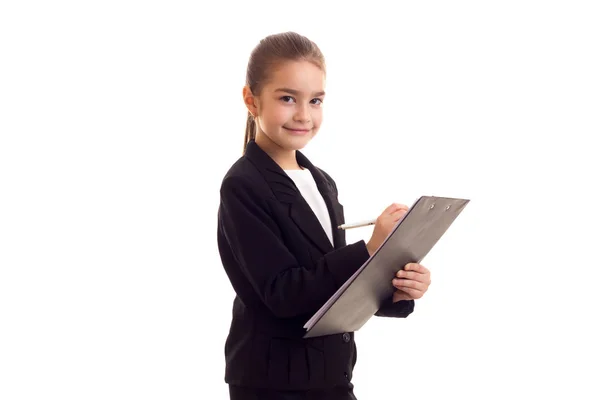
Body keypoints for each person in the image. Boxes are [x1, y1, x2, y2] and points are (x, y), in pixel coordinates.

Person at [216, 31, 432, 400]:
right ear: (251, 101)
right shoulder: (243, 185)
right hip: (274, 383)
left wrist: (397, 289)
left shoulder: (321, 181)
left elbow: (331, 289)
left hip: (330, 373)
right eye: (287, 98)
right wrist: (368, 250)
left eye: (315, 100)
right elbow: (283, 294)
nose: (304, 114)